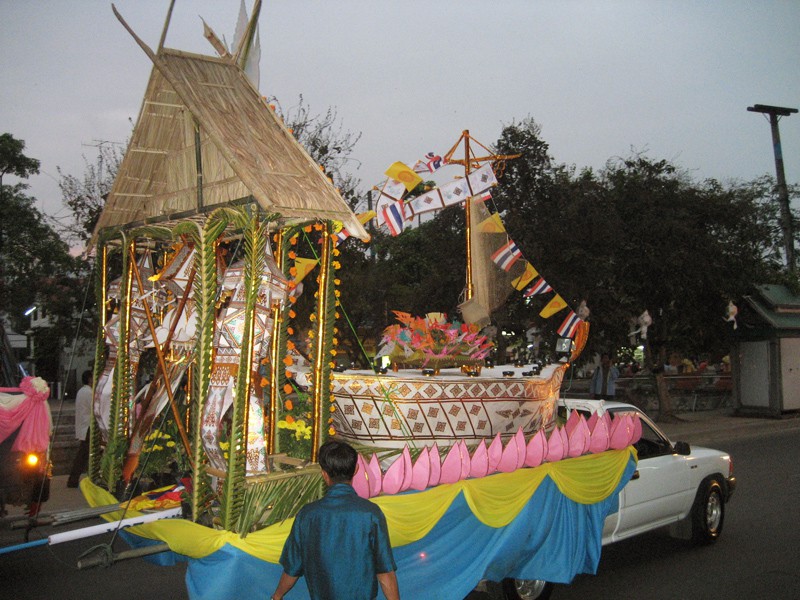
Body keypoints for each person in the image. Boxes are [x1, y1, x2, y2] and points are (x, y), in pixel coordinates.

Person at [271, 440, 400, 600]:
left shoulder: (307, 515)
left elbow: (292, 568)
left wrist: (277, 596)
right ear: (356, 469)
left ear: (324, 473)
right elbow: (385, 571)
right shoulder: (371, 513)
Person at [67, 370, 92, 488]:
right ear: (89, 379)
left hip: (85, 426)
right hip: (88, 427)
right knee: (83, 455)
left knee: (83, 454)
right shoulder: (88, 392)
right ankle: (73, 479)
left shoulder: (82, 391)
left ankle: (74, 478)